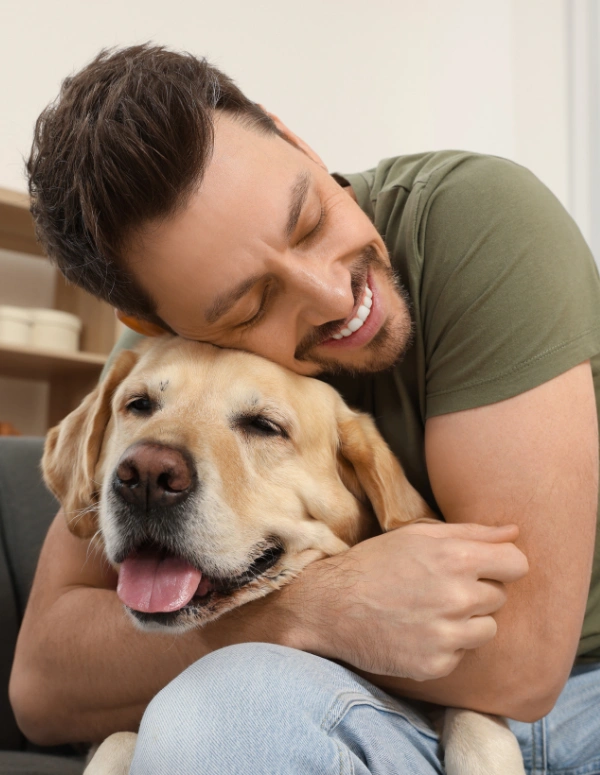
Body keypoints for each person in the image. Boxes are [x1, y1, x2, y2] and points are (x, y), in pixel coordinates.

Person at [9, 44, 600, 774]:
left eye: (310, 218)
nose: (333, 293)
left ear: (297, 142)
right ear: (164, 322)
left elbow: (519, 665)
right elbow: (41, 683)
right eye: (251, 302)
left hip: (579, 690)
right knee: (207, 716)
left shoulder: (482, 223)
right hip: (347, 689)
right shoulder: (163, 361)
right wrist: (315, 607)